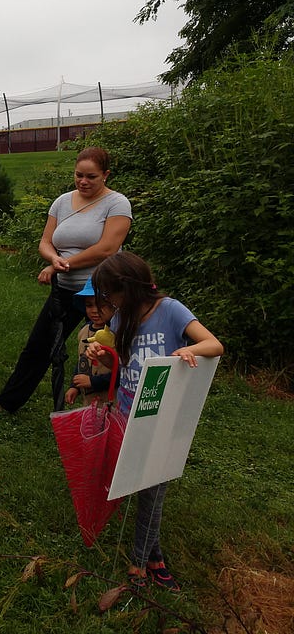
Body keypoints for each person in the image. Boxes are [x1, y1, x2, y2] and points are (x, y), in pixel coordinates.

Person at [86, 252, 223, 591]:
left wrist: (189, 352)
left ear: (128, 288)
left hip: (164, 418)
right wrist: (101, 355)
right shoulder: (122, 317)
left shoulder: (171, 310)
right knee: (143, 487)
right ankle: (155, 557)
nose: (108, 302)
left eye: (110, 294)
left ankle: (138, 566)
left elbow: (214, 344)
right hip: (129, 414)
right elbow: (122, 359)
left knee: (152, 492)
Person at [0, 146, 132, 416]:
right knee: (38, 347)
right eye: (79, 175)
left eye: (92, 177)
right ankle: (6, 403)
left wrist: (65, 264)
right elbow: (45, 242)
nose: (84, 182)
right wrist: (53, 260)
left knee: (103, 350)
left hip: (102, 294)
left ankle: (110, 410)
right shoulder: (62, 202)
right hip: (64, 289)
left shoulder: (117, 203)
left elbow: (108, 248)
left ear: (106, 175)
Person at [64, 278, 114, 406]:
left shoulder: (116, 333)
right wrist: (74, 386)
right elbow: (82, 360)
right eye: (89, 305)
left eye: (100, 305)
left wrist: (93, 382)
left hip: (112, 402)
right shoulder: (84, 330)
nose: (94, 310)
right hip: (90, 402)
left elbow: (123, 373)